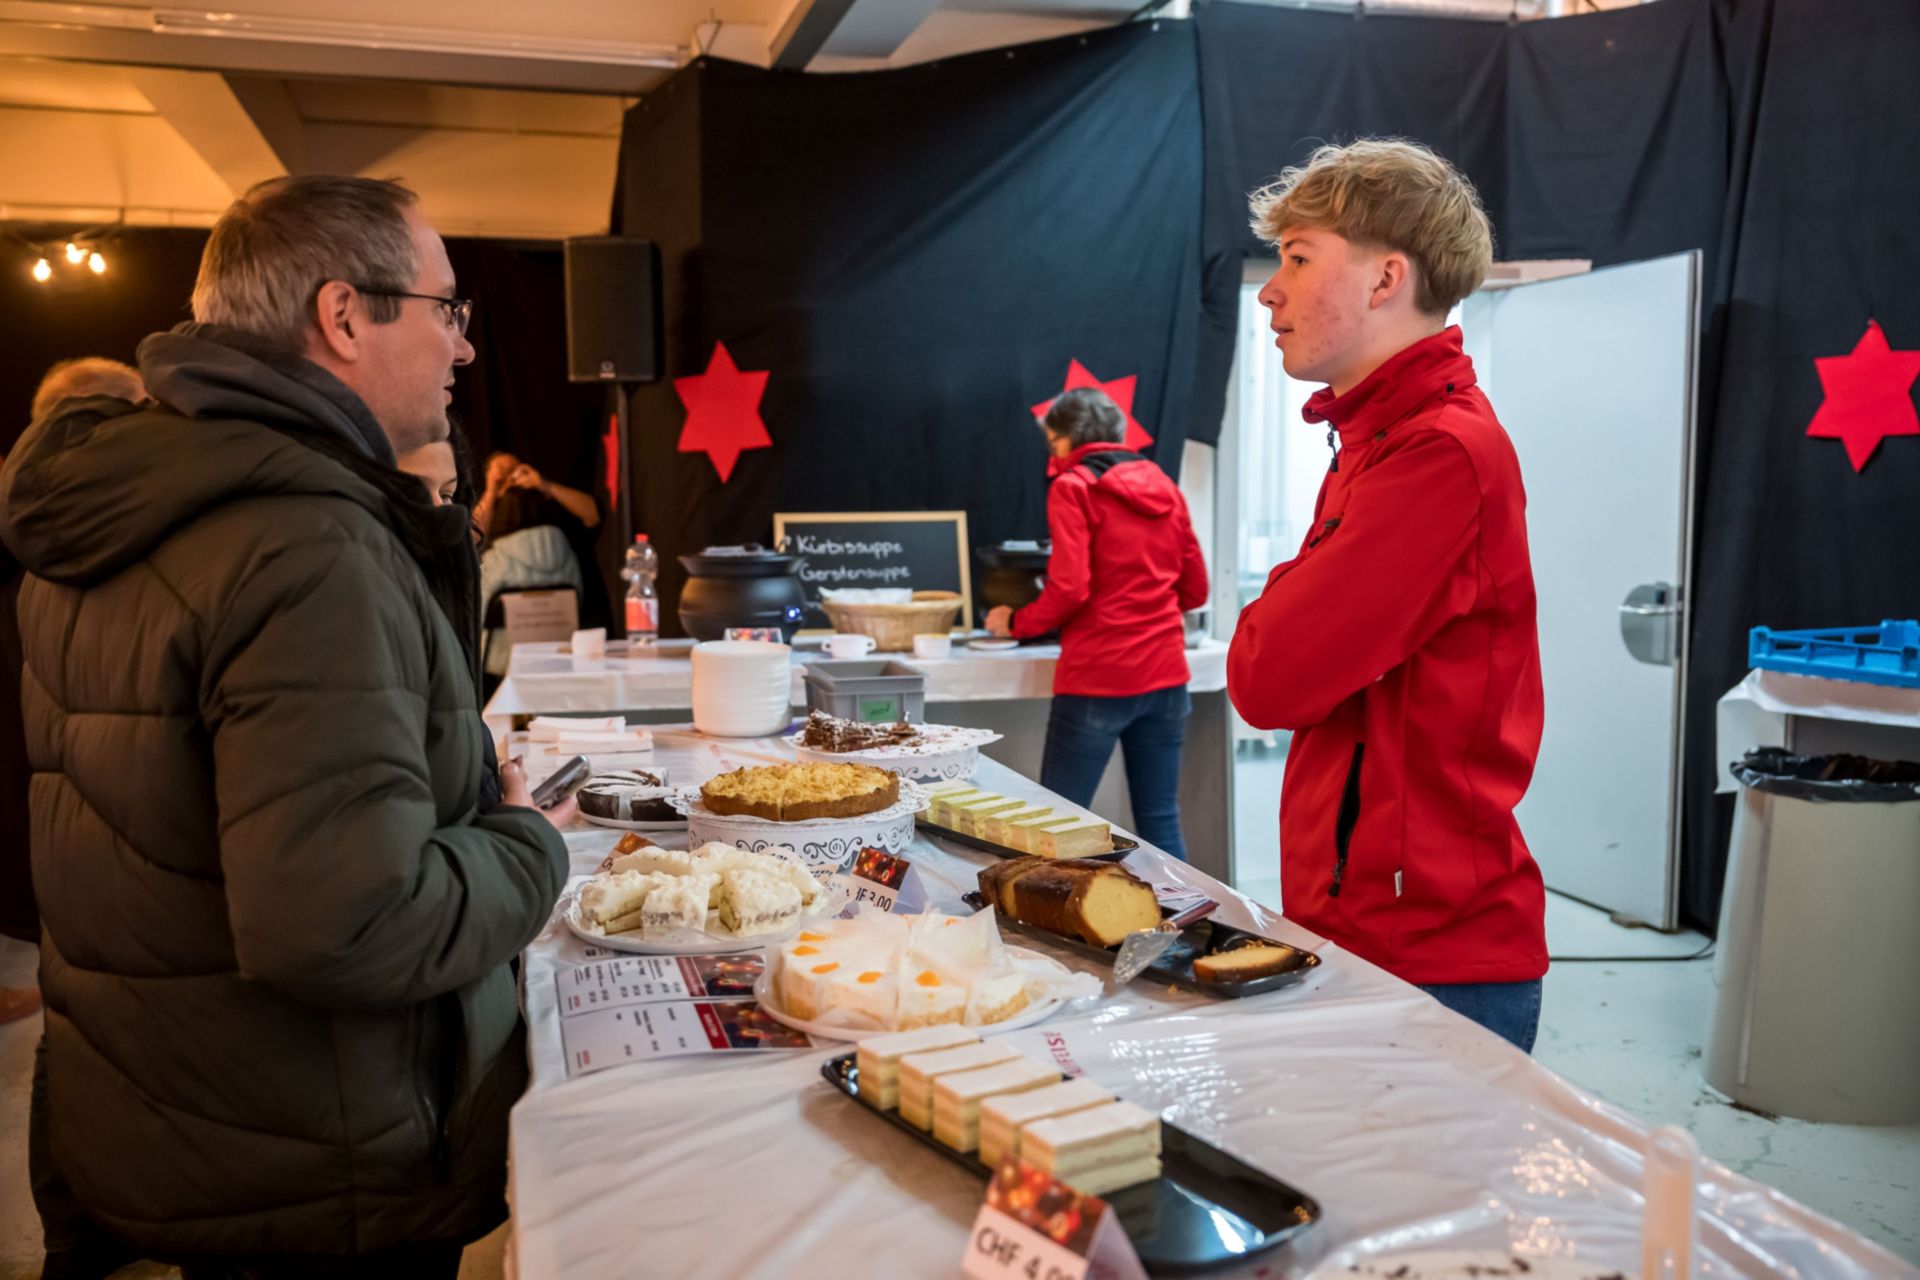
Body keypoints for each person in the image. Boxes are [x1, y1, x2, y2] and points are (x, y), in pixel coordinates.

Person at [0, 174, 574, 1276]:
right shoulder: (303, 543)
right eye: (445, 308)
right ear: (345, 315)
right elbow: (350, 922)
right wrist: (524, 838)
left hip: (172, 1116)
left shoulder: (126, 503)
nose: (463, 347)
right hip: (316, 1164)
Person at [1225, 139, 1547, 1051]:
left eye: (1297, 257)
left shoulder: (1436, 453)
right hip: (1371, 926)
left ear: (1384, 279)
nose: (1269, 291)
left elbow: (1269, 678)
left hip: (1430, 955)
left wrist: (1278, 603)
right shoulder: (1378, 439)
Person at [10, 357, 150, 1280]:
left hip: (60, 828)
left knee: (74, 1006)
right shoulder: (129, 531)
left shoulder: (37, 531)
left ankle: (75, 1237)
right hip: (116, 824)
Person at [984, 388, 1208, 859]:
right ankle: (1180, 928)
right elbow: (1196, 591)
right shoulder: (1164, 484)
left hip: (1098, 677)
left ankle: (1049, 927)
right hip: (1167, 678)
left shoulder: (1074, 487)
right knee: (1160, 820)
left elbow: (1070, 588)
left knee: (1060, 820)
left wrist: (1015, 622)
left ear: (1065, 440)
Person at [477, 463, 588, 679]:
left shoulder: (492, 561)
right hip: (560, 658)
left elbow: (475, 616)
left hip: (500, 665)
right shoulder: (569, 554)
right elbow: (579, 604)